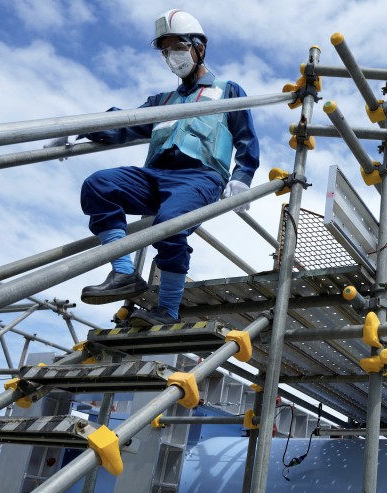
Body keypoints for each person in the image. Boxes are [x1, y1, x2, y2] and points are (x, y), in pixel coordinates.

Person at [74, 9, 259, 327]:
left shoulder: (227, 91)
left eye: (178, 46)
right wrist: (75, 128)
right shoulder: (162, 101)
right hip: (155, 176)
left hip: (200, 177)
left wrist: (243, 178)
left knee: (170, 224)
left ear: (199, 47)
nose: (172, 56)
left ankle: (167, 310)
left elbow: (246, 139)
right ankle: (123, 273)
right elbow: (123, 125)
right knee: (99, 184)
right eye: (165, 50)